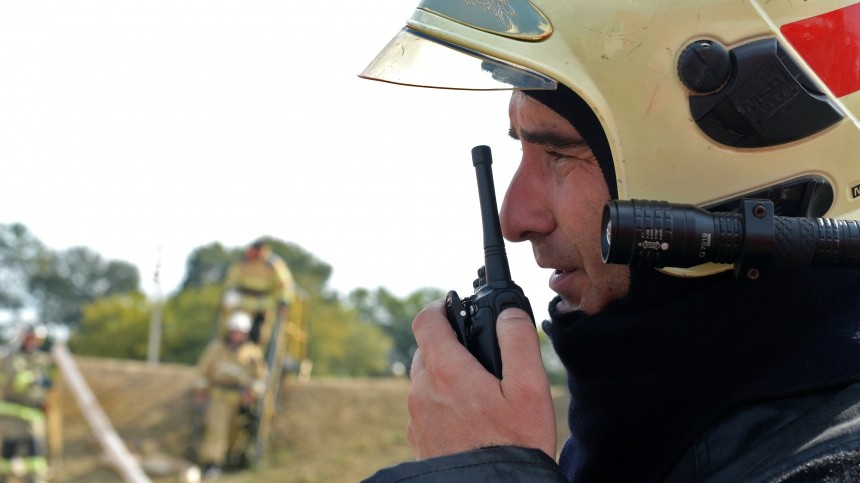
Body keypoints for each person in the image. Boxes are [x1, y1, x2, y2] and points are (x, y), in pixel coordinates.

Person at [360, 1, 860, 481]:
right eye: (523, 148)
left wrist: (489, 472)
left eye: (559, 153)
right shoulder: (638, 442)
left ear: (702, 169)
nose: (515, 219)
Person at [194, 311, 267, 479]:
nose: (236, 335)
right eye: (234, 331)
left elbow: (260, 378)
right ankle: (212, 462)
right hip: (218, 396)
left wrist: (252, 393)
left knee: (237, 431)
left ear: (246, 334)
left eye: (240, 332)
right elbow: (203, 373)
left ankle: (233, 458)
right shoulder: (216, 349)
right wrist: (201, 389)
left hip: (240, 398)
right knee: (216, 430)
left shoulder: (253, 353)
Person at [0, 325, 55, 482]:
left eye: (36, 339)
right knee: (7, 456)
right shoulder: (13, 357)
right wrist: (35, 379)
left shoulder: (40, 358)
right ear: (23, 338)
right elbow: (17, 382)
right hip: (14, 416)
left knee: (35, 458)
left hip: (33, 416)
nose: (33, 342)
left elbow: (49, 381)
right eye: (30, 338)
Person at [221, 239, 296, 349]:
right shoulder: (243, 263)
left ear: (261, 251)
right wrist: (230, 292)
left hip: (263, 307)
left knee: (259, 336)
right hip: (241, 305)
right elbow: (231, 280)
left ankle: (254, 353)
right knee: (230, 327)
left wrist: (284, 301)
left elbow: (285, 285)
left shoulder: (273, 265)